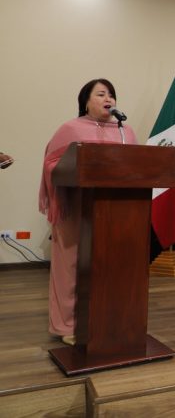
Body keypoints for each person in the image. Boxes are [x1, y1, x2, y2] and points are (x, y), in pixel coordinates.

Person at [38, 79, 137, 345]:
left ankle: (108, 319)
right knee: (70, 266)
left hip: (114, 210)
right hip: (75, 206)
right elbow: (51, 164)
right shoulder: (70, 128)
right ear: (86, 101)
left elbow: (137, 165)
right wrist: (80, 167)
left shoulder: (125, 131)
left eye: (112, 94)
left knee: (109, 266)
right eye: (101, 94)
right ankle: (67, 325)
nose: (109, 99)